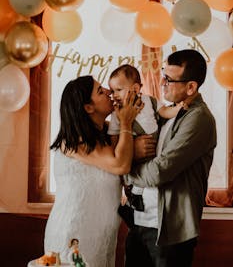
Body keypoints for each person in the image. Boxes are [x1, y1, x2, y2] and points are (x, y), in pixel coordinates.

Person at [124, 49, 217, 267]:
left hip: (170, 231)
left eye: (169, 79)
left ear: (191, 87)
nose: (162, 82)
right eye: (163, 75)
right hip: (139, 223)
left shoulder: (199, 118)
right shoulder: (165, 113)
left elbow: (160, 171)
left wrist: (124, 172)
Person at [44, 75, 143, 267]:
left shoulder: (108, 134)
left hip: (102, 235)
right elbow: (120, 165)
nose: (109, 92)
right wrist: (126, 124)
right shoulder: (72, 141)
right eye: (100, 91)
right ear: (88, 107)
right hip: (74, 233)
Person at [108, 64, 183, 212]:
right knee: (135, 175)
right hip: (134, 153)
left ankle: (140, 200)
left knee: (152, 172)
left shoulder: (150, 101)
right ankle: (132, 199)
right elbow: (114, 137)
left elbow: (164, 111)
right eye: (112, 91)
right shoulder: (117, 114)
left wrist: (178, 109)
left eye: (118, 90)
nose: (114, 95)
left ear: (135, 89)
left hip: (154, 150)